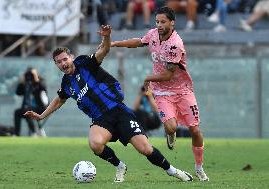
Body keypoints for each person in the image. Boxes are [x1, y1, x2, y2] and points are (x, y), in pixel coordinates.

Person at [24, 25, 193, 183]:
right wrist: (41, 116)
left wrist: (107, 37)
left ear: (71, 57)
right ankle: (120, 166)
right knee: (95, 144)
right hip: (101, 119)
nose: (63, 64)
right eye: (59, 62)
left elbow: (103, 50)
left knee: (145, 149)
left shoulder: (85, 63)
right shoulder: (66, 84)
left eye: (65, 59)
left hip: (118, 111)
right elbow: (59, 99)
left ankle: (172, 170)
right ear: (56, 65)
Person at [111, 6, 209, 181]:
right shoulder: (154, 35)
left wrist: (148, 77)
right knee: (171, 127)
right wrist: (115, 43)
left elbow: (169, 74)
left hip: (182, 90)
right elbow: (140, 41)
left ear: (172, 22)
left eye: (163, 22)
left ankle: (199, 167)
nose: (159, 25)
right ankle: (171, 133)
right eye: (157, 21)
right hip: (162, 91)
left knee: (195, 130)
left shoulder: (175, 44)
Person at [14, 67, 48, 137]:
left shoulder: (40, 82)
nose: (30, 76)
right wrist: (22, 82)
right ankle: (17, 134)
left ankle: (33, 132)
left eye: (31, 74)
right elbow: (18, 93)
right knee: (17, 112)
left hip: (40, 108)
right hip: (27, 108)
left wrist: (36, 80)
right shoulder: (25, 83)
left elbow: (44, 88)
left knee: (28, 111)